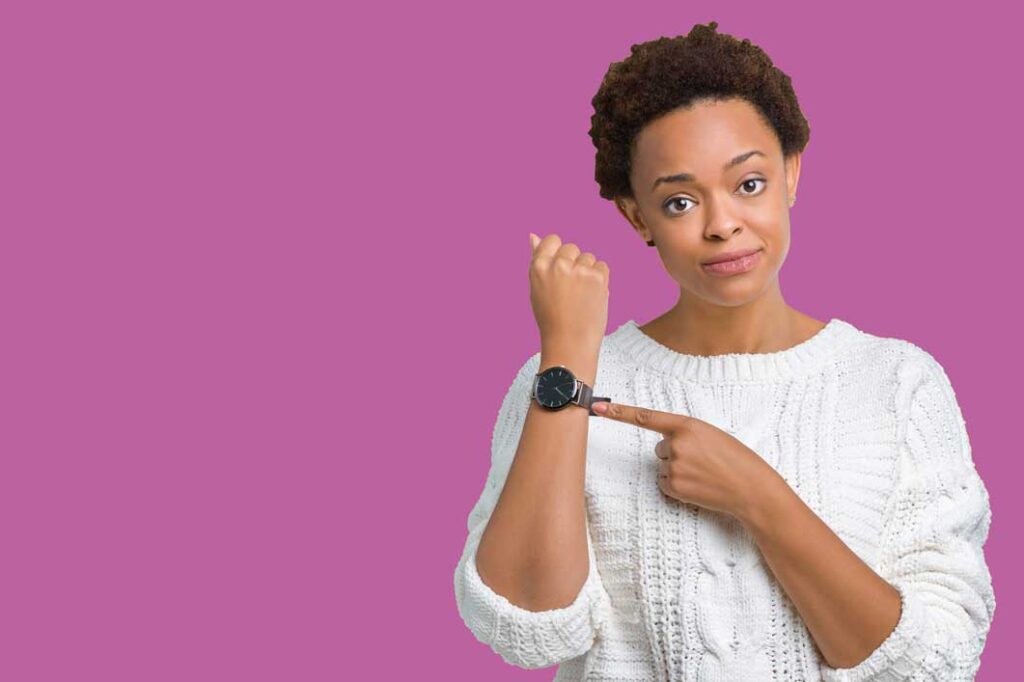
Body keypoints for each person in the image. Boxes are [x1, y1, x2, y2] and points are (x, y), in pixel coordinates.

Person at [452, 20, 996, 681]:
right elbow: (529, 628)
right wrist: (568, 349)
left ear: (791, 174)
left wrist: (758, 497)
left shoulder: (896, 382)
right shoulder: (563, 382)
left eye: (749, 184)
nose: (721, 224)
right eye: (679, 201)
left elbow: (937, 663)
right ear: (636, 218)